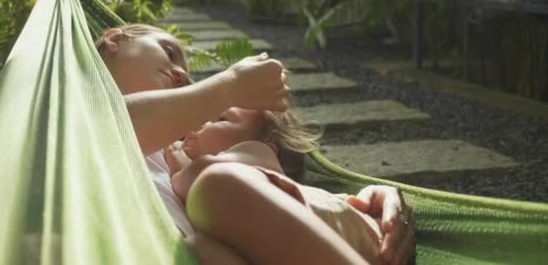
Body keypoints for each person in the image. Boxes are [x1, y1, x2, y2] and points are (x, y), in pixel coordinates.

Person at [96, 24, 415, 264]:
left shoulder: (178, 154)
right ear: (116, 38)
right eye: (169, 51)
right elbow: (106, 120)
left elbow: (280, 200)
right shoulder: (73, 101)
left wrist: (380, 197)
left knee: (218, 187)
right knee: (201, 244)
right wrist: (228, 87)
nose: (181, 73)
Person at [164, 106, 389, 264]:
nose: (201, 124)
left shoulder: (256, 153)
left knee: (213, 186)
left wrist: (180, 165)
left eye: (221, 119)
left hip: (356, 239)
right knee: (198, 248)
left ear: (269, 144)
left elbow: (192, 182)